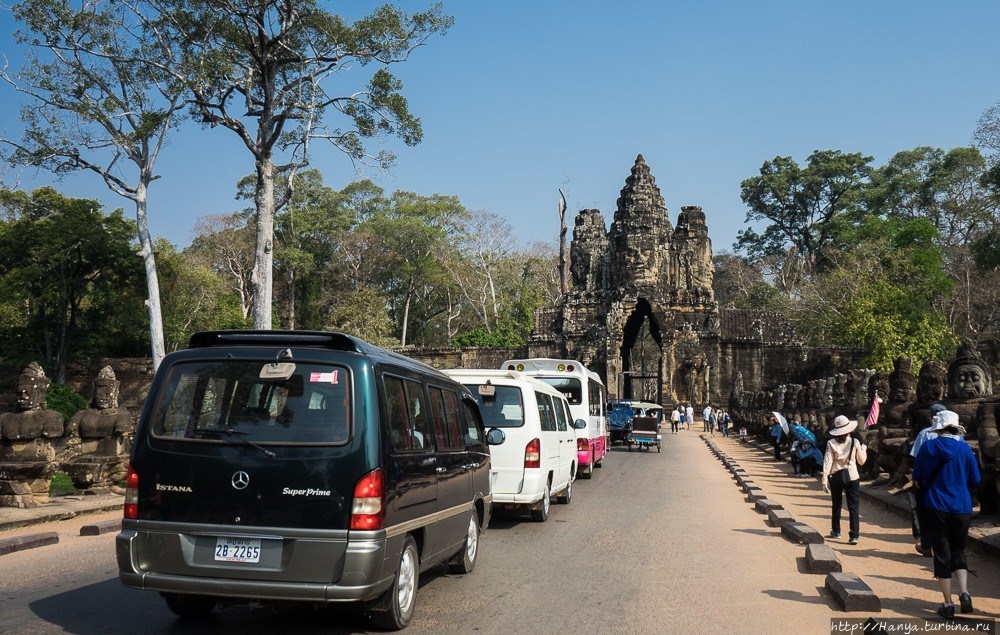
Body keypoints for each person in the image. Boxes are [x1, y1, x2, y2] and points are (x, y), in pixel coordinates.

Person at [912, 410, 980, 620]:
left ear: (938, 428)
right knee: (959, 549)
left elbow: (918, 477)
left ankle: (948, 604)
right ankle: (965, 594)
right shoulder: (965, 449)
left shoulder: (928, 446)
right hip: (961, 507)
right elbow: (975, 479)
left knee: (942, 553)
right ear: (955, 427)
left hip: (936, 505)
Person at [909, 403, 948, 556]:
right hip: (949, 480)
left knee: (924, 512)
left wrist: (916, 478)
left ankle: (926, 545)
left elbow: (917, 458)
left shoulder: (925, 434)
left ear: (932, 417)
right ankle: (944, 544)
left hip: (927, 479)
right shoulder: (958, 436)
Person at [821, 415, 868, 545]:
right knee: (853, 507)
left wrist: (824, 480)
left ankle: (836, 531)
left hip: (836, 475)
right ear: (849, 430)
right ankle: (854, 535)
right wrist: (864, 449)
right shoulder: (855, 442)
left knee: (836, 504)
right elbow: (862, 461)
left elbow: (827, 462)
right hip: (852, 476)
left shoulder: (831, 443)